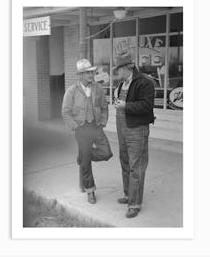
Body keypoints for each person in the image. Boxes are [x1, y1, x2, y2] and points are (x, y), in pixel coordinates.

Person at [62, 59, 113, 204]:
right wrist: (76, 127)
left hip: (96, 127)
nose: (91, 74)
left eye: (92, 72)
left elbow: (104, 107)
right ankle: (90, 191)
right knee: (86, 162)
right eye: (88, 72)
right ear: (80, 75)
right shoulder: (72, 91)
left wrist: (103, 122)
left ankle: (82, 157)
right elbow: (65, 112)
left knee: (106, 153)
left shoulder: (98, 88)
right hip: (81, 129)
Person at [113, 52, 155, 218]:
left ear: (128, 67)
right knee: (124, 161)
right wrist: (120, 104)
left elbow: (147, 106)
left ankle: (135, 204)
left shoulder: (144, 82)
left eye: (119, 69)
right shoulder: (122, 84)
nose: (117, 73)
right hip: (122, 126)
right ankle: (128, 194)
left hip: (137, 129)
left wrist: (125, 105)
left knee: (136, 166)